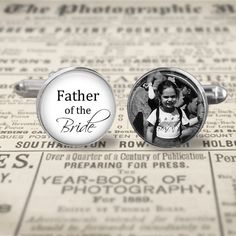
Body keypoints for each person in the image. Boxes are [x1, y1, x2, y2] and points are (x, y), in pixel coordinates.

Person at [146, 80, 183, 147]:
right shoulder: (156, 112)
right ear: (160, 97)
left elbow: (186, 125)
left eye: (173, 96)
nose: (170, 100)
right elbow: (150, 131)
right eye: (166, 97)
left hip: (176, 143)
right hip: (160, 143)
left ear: (177, 96)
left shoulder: (179, 111)